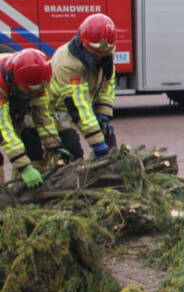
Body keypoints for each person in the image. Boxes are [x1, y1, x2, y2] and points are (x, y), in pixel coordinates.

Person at [48, 13, 118, 160]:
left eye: (102, 55)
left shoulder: (106, 54)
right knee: (72, 153)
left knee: (111, 147)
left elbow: (107, 85)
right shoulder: (67, 63)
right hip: (58, 109)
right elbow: (78, 105)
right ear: (82, 43)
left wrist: (103, 113)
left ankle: (102, 172)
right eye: (95, 55)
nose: (98, 59)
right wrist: (97, 143)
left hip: (82, 104)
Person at [0, 49, 62, 186]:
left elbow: (43, 117)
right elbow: (3, 129)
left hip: (9, 105)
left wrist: (54, 146)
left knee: (29, 149)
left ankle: (18, 191)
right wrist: (25, 167)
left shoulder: (38, 79)